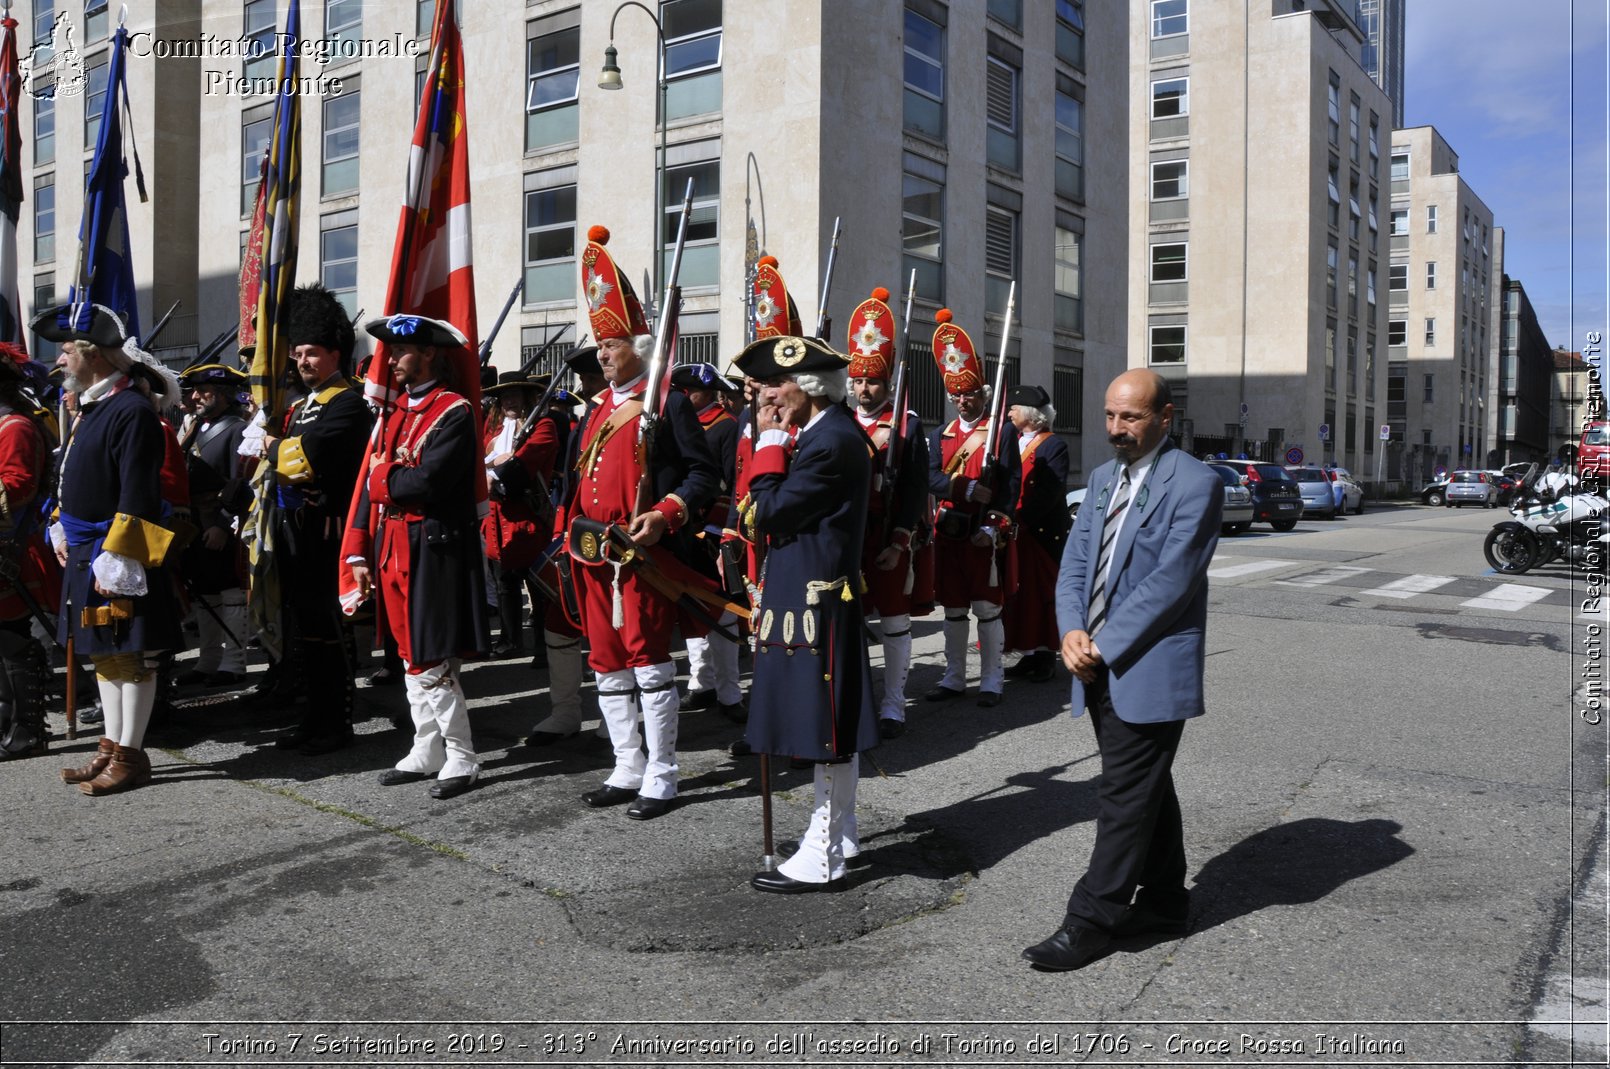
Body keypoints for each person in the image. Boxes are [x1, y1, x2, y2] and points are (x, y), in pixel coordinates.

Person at [1022, 368, 1221, 972]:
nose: (1116, 429)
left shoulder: (1196, 484)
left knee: (1122, 793)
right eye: (1110, 416)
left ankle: (1090, 919)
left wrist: (1102, 643)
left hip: (1148, 662)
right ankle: (1162, 902)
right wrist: (1070, 631)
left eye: (1130, 418)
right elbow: (1077, 563)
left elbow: (1171, 582)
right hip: (1094, 658)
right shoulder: (1105, 479)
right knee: (1143, 785)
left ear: (1165, 418)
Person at [562, 225, 718, 821]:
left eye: (613, 343)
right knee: (605, 661)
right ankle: (627, 763)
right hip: (593, 551)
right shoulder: (595, 409)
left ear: (639, 346)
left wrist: (664, 512)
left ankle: (662, 772)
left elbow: (703, 478)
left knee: (650, 661)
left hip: (641, 554)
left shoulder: (668, 403)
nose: (603, 354)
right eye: (599, 346)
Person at [735, 334, 878, 893]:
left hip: (816, 602)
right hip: (811, 596)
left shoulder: (828, 441)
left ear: (808, 386)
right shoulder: (826, 432)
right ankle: (839, 835)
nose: (768, 394)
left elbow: (768, 510)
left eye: (777, 383)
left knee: (825, 729)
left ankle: (822, 851)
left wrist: (768, 443)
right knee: (829, 724)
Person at [342, 314, 489, 799]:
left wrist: (381, 480)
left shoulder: (454, 411)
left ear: (428, 353)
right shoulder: (397, 410)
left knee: (431, 654)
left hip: (433, 546)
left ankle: (462, 754)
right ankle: (427, 747)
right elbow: (378, 481)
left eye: (401, 351)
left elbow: (427, 481)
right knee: (408, 655)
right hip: (394, 546)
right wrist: (361, 547)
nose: (392, 361)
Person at [39, 303, 183, 795]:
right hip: (86, 546)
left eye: (64, 352)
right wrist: (60, 526)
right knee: (105, 655)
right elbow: (70, 480)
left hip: (114, 549)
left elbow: (138, 491)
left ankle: (131, 754)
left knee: (133, 656)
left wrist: (120, 556)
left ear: (91, 354)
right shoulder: (95, 407)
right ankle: (110, 745)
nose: (58, 361)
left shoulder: (131, 410)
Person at [262, 283, 374, 755]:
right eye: (297, 353)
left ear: (335, 354)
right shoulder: (301, 407)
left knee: (329, 632)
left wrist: (271, 449)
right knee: (305, 633)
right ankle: (313, 717)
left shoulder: (347, 403)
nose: (301, 361)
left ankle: (337, 722)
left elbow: (300, 459)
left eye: (310, 353)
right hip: (298, 532)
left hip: (331, 531)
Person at [845, 287, 930, 738]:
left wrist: (900, 541)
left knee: (894, 621)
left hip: (885, 538)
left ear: (888, 383)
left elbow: (917, 489)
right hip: (846, 538)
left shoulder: (907, 425)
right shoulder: (839, 420)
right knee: (847, 622)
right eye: (857, 381)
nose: (863, 389)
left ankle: (894, 703)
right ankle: (856, 696)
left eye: (872, 382)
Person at [924, 309, 1020, 708]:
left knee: (987, 608)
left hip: (982, 534)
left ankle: (993, 679)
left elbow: (1011, 486)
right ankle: (954, 676)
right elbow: (929, 477)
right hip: (949, 531)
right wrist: (963, 489)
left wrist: (995, 525)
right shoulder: (940, 435)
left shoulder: (1001, 432)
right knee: (954, 608)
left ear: (983, 393)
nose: (963, 401)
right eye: (957, 395)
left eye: (970, 394)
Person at [668, 360, 743, 720]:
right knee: (691, 609)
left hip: (712, 531)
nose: (686, 397)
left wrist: (717, 529)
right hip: (684, 527)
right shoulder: (680, 424)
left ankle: (731, 693)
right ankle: (702, 682)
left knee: (723, 612)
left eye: (691, 392)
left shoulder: (725, 427)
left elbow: (732, 483)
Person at [0, 344, 62, 761]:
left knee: (10, 642)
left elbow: (17, 486)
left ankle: (24, 732)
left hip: (11, 547)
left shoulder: (14, 427)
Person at [175, 363, 250, 687]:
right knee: (205, 592)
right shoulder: (198, 427)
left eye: (204, 391)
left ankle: (234, 663)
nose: (196, 396)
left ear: (223, 393)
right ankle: (208, 661)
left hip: (222, 523)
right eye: (195, 391)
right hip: (196, 523)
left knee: (231, 591)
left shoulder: (237, 428)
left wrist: (222, 523)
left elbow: (240, 481)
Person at [482, 371, 564, 660]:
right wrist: (494, 463)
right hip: (496, 516)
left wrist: (497, 467)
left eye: (515, 394)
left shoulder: (543, 426)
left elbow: (520, 468)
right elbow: (482, 465)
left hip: (528, 515)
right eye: (505, 395)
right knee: (504, 584)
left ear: (528, 397)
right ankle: (509, 640)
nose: (509, 400)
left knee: (538, 586)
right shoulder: (492, 431)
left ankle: (543, 645)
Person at [1002, 384, 1071, 683]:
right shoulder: (1010, 440)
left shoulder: (1054, 446)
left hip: (1038, 532)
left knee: (1043, 596)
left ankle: (1045, 657)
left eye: (1013, 408)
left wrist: (1020, 518)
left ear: (1029, 413)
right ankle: (1028, 653)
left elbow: (1049, 492)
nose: (1008, 413)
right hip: (1016, 530)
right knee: (1020, 597)